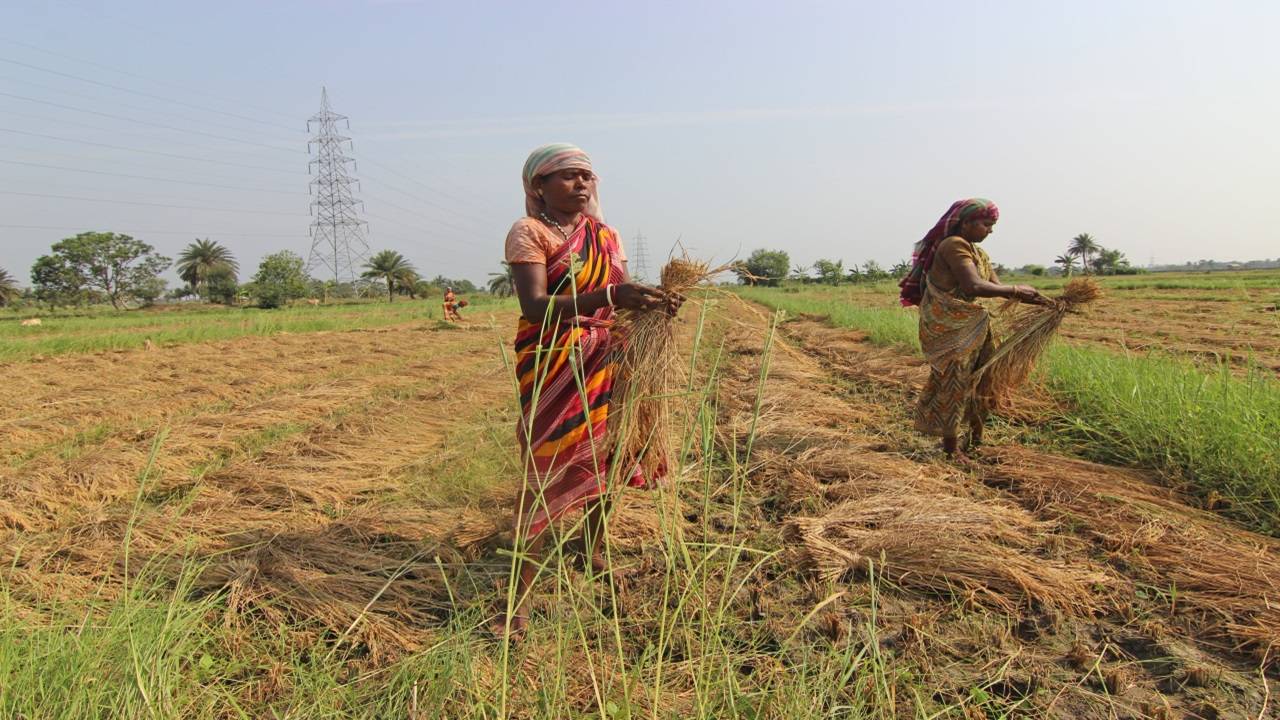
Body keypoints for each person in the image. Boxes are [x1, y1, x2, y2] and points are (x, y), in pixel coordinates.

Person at [493, 143, 682, 640]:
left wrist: (650, 304)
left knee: (611, 458)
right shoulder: (528, 232)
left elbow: (618, 297)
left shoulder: (605, 234)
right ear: (539, 186)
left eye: (587, 177)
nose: (582, 185)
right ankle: (517, 600)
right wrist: (611, 296)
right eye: (568, 176)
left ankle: (593, 550)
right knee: (547, 471)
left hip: (608, 358)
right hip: (555, 359)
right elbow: (536, 306)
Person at [899, 198, 1049, 462]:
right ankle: (950, 449)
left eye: (992, 226)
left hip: (973, 324)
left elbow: (996, 287)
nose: (990, 231)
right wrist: (1016, 290)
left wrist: (1046, 302)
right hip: (950, 327)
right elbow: (973, 287)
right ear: (965, 223)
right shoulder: (953, 245)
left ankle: (976, 438)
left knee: (983, 378)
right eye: (986, 224)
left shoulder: (979, 253)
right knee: (955, 384)